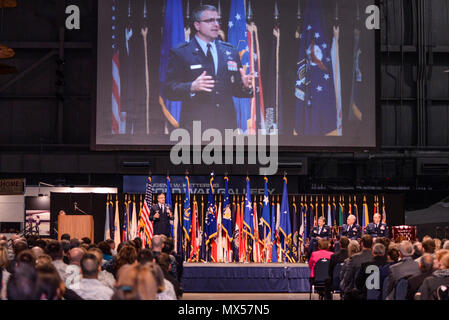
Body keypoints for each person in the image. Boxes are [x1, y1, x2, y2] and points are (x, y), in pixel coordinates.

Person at [163, 4, 254, 132]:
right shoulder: (181, 52)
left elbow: (236, 90)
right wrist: (191, 87)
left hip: (226, 128)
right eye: (210, 21)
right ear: (197, 25)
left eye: (217, 20)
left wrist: (244, 86)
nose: (216, 24)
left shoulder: (230, 51)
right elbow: (168, 90)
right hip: (195, 129)